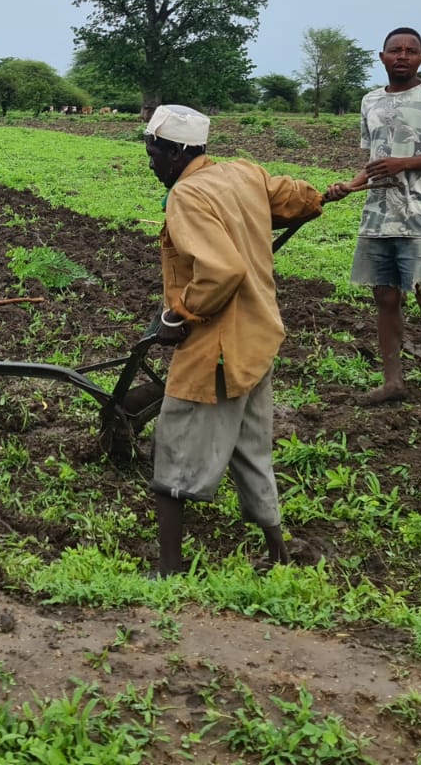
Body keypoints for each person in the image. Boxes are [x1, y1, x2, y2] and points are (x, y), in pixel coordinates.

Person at [145, 103, 342, 573]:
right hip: (259, 337)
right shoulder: (243, 174)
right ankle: (278, 553)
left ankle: (169, 567)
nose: (150, 163)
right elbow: (293, 199)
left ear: (174, 152)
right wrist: (326, 195)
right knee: (251, 448)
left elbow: (222, 270)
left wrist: (180, 315)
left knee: (175, 444)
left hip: (218, 346)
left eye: (153, 153)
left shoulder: (187, 196)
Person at [325, 27, 421, 424]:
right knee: (385, 300)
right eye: (395, 50)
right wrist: (352, 184)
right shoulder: (370, 101)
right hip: (377, 217)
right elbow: (376, 160)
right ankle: (393, 382)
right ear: (383, 57)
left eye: (411, 51)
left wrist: (404, 164)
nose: (402, 56)